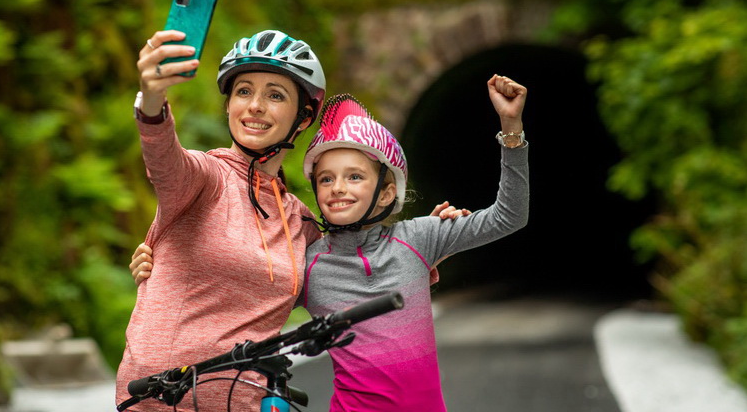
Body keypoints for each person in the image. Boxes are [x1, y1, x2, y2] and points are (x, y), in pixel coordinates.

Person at [131, 74, 529, 411]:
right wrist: (166, 263)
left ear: (387, 192)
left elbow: (509, 216)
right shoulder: (309, 259)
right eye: (326, 179)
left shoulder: (421, 237)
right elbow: (244, 286)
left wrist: (511, 130)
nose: (338, 188)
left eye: (355, 176)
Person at [116, 29, 328, 411]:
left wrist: (429, 244)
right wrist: (151, 97)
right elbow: (164, 157)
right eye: (244, 91)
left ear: (303, 117)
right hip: (158, 401)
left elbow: (355, 275)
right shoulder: (205, 177)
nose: (255, 106)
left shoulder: (301, 222)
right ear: (228, 104)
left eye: (275, 95)